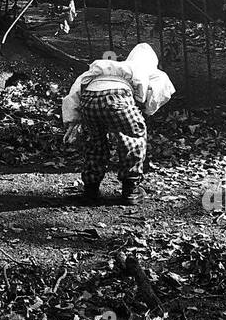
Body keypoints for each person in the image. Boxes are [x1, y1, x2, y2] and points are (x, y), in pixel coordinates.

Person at [62, 43, 174, 204]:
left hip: (89, 99)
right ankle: (131, 189)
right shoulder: (146, 70)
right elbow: (157, 94)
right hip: (119, 97)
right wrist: (144, 109)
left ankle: (90, 189)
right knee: (133, 137)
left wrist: (72, 118)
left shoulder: (104, 66)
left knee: (95, 143)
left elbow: (76, 89)